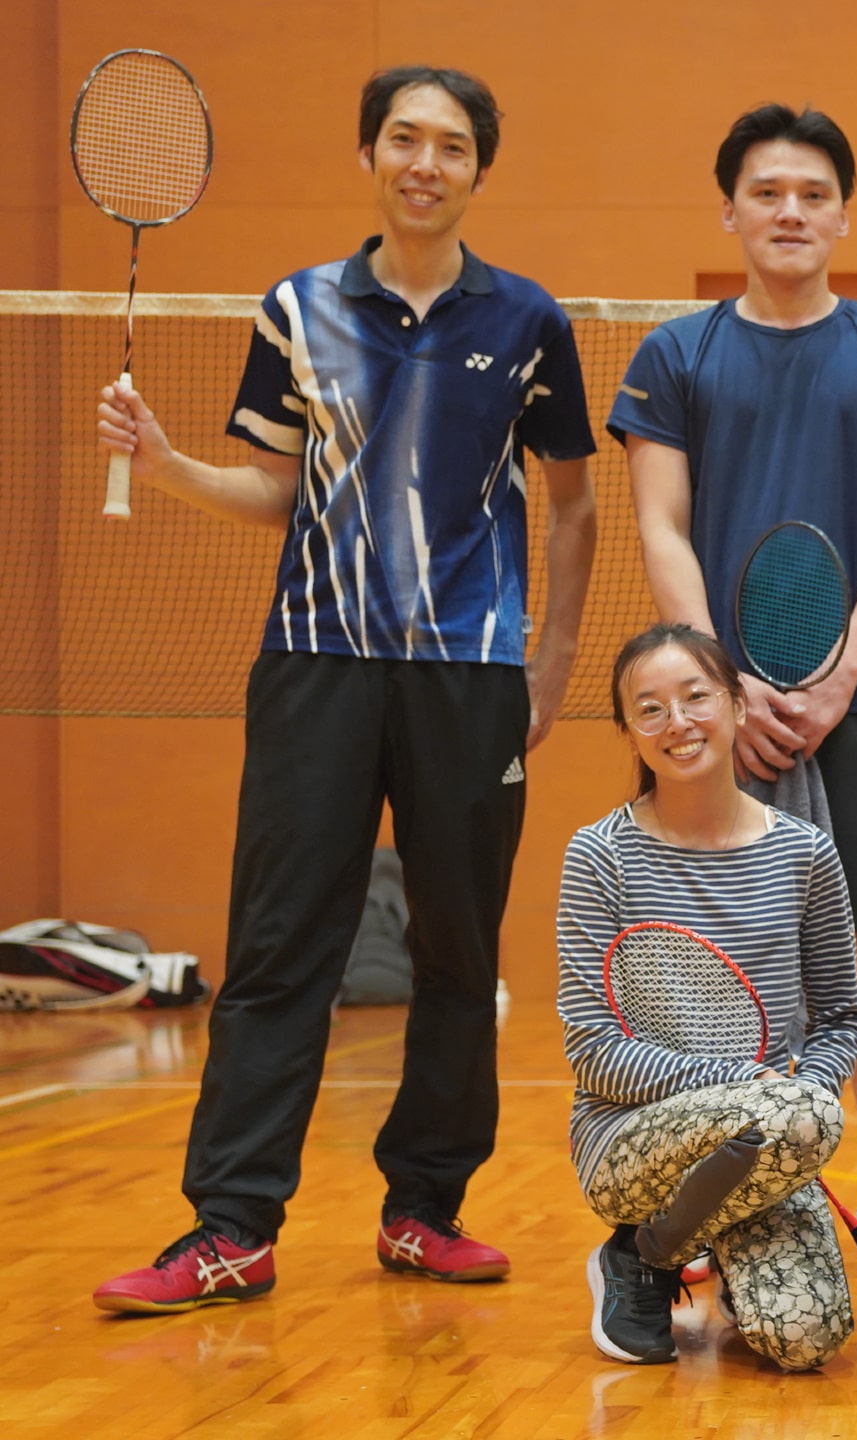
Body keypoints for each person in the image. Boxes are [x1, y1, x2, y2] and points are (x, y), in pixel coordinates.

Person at [92, 66, 596, 1312]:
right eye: (404, 138)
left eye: (452, 145)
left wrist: (551, 662)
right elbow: (275, 489)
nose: (426, 163)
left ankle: (425, 1209)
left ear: (481, 169)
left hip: (470, 674)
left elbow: (573, 504)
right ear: (369, 153)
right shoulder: (298, 307)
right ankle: (232, 1226)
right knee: (278, 948)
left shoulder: (529, 321)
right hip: (314, 663)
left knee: (458, 950)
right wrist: (166, 463)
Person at [610, 103, 857, 1278]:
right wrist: (718, 688)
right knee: (704, 955)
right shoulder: (675, 357)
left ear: (844, 215)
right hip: (705, 710)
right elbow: (661, 524)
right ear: (731, 212)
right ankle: (701, 1191)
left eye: (814, 194)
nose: (791, 212)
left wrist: (839, 674)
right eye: (767, 192)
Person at [559, 624, 857, 1370]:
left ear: (736, 705)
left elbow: (842, 1018)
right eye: (650, 709)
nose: (678, 722)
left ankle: (717, 1248)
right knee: (800, 1115)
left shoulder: (805, 852)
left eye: (696, 697)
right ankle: (641, 1253)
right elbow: (594, 1051)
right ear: (629, 732)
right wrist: (751, 1089)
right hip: (631, 1139)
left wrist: (803, 1092)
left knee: (805, 1340)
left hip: (768, 1136)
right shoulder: (600, 856)